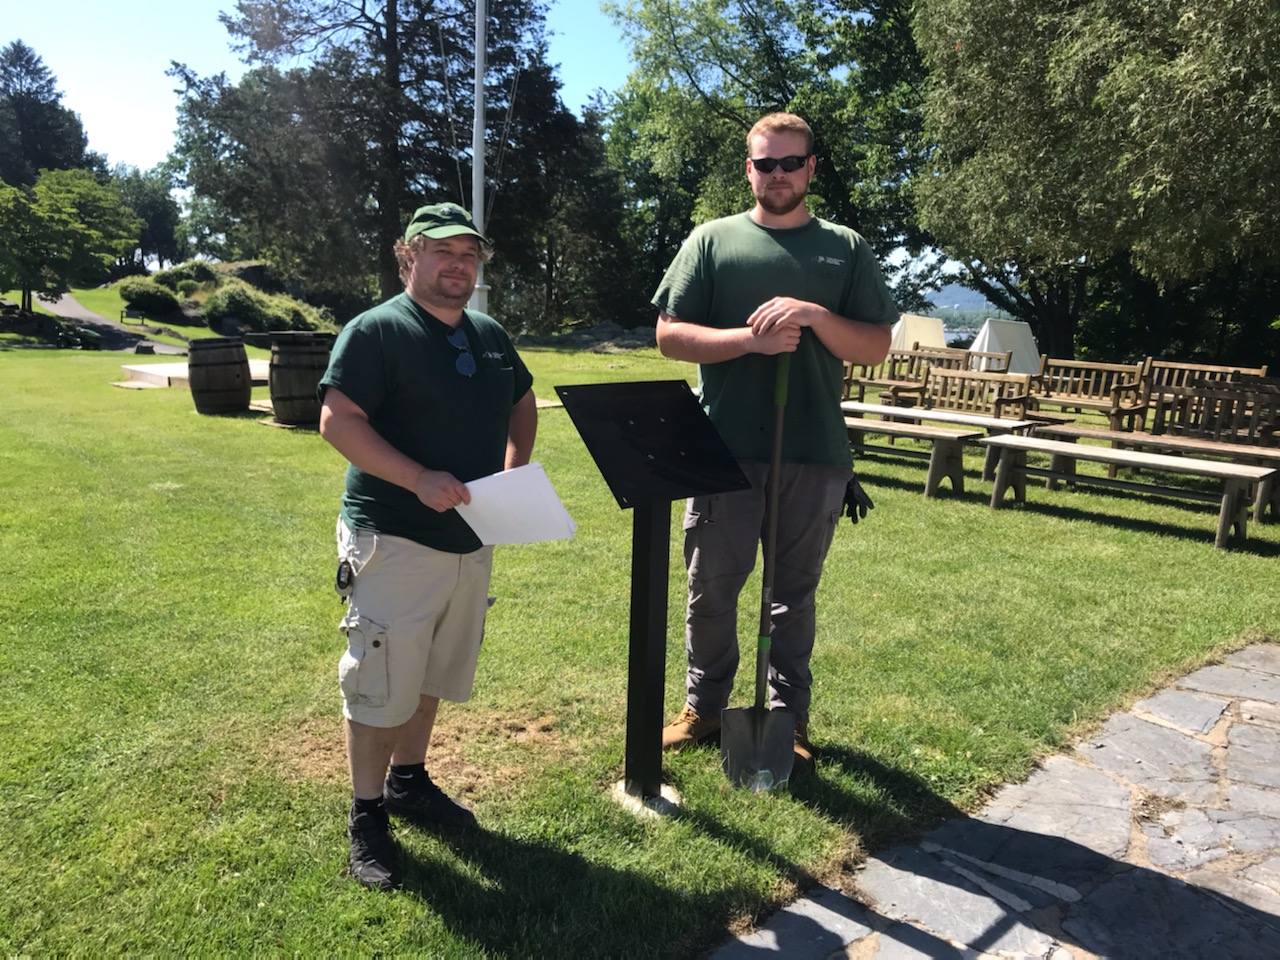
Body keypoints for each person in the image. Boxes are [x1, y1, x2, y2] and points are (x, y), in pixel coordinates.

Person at [651, 112, 897, 775]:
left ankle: (788, 719)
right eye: (766, 164)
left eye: (791, 163)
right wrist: (750, 342)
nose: (778, 174)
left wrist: (815, 316)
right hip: (722, 449)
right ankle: (704, 708)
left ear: (811, 167)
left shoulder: (844, 247)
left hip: (813, 450)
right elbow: (670, 334)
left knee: (792, 597)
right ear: (749, 169)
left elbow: (875, 345)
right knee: (711, 590)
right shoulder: (713, 241)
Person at [318, 202, 537, 891]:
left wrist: (512, 471)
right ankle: (366, 813)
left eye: (469, 254)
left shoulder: (489, 334)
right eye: (443, 251)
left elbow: (521, 399)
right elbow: (337, 420)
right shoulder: (377, 331)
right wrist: (417, 478)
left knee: (432, 672)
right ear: (408, 255)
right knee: (381, 678)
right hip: (394, 539)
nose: (458, 265)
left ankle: (409, 782)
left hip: (469, 540)